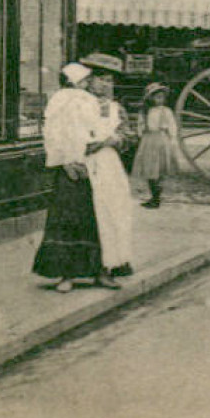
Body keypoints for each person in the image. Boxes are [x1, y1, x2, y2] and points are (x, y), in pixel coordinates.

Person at [32, 63, 123, 292]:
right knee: (69, 218)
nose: (101, 84)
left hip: (98, 167)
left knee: (102, 218)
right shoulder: (66, 102)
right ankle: (67, 275)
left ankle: (102, 271)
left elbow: (109, 133)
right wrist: (66, 161)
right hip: (73, 166)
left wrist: (109, 139)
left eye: (108, 80)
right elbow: (55, 133)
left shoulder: (101, 105)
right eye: (95, 80)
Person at [81, 55, 136, 286]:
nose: (106, 85)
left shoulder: (116, 108)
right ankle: (93, 266)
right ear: (90, 81)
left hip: (109, 164)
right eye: (101, 80)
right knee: (93, 214)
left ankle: (116, 261)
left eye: (109, 81)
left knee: (115, 210)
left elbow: (130, 135)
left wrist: (116, 140)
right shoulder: (79, 104)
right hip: (86, 162)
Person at [131, 81, 180, 209]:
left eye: (162, 97)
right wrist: (141, 133)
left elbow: (172, 126)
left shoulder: (166, 111)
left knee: (159, 170)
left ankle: (157, 198)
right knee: (149, 169)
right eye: (157, 97)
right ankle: (153, 196)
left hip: (161, 140)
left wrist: (172, 139)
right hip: (148, 140)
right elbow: (140, 125)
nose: (160, 100)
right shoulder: (145, 111)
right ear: (150, 98)